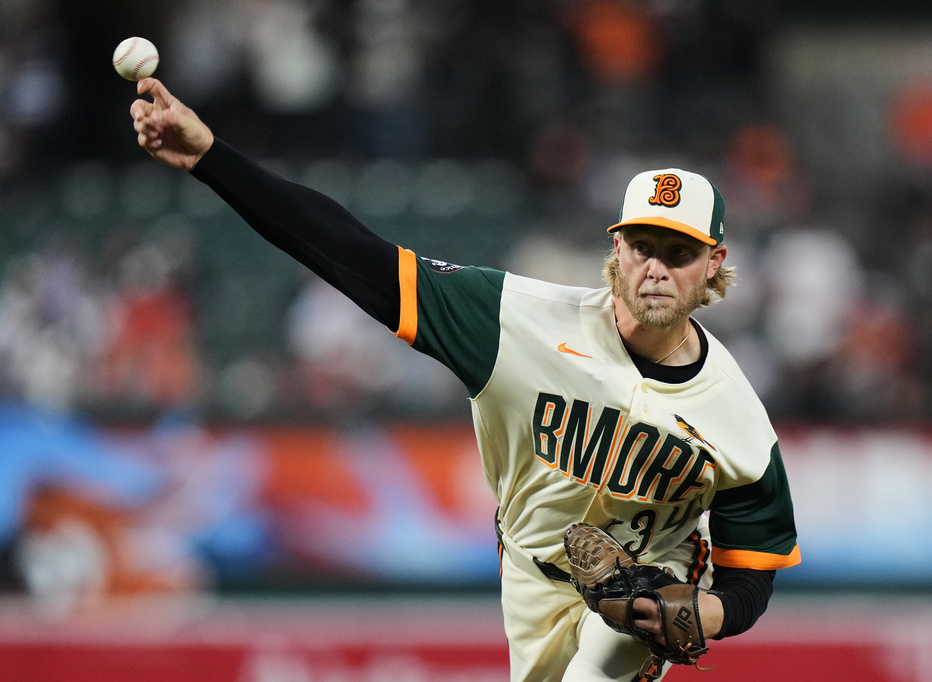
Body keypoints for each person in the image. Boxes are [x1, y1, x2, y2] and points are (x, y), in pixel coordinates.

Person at [130, 77, 800, 682]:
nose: (656, 268)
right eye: (643, 246)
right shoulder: (514, 320)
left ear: (714, 265)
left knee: (602, 661)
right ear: (616, 250)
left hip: (642, 595)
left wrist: (699, 615)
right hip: (529, 576)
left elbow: (750, 576)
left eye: (679, 253)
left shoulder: (738, 419)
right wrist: (212, 159)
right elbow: (348, 251)